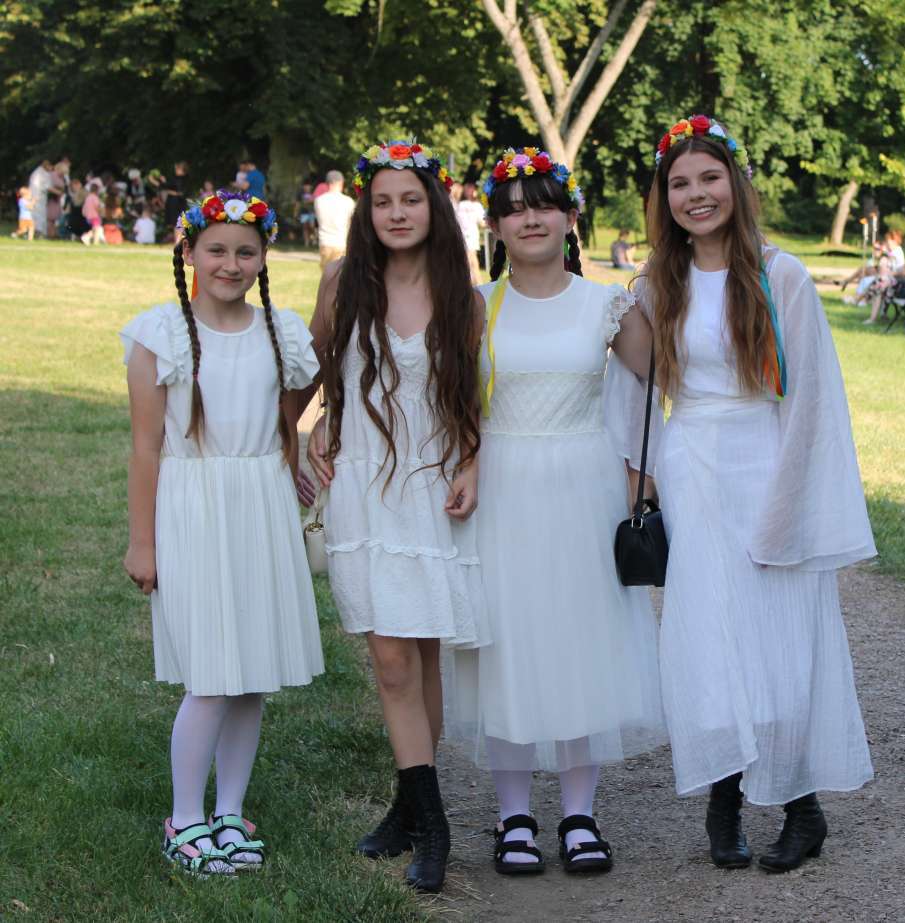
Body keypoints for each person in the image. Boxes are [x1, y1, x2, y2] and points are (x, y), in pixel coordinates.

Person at [634, 114, 874, 873]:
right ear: (664, 197)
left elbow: (811, 399)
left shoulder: (781, 274)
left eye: (709, 178)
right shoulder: (657, 283)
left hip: (764, 461)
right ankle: (724, 796)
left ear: (735, 184)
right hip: (692, 466)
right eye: (680, 183)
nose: (696, 194)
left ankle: (802, 808)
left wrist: (789, 509)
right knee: (708, 636)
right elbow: (637, 384)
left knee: (781, 637)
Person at [447, 146, 665, 877]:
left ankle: (579, 814)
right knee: (506, 641)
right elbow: (455, 401)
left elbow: (654, 382)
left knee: (578, 638)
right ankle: (513, 814)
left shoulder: (606, 304)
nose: (530, 219)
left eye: (544, 204)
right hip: (502, 486)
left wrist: (641, 476)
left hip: (582, 481)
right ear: (495, 227)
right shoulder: (476, 306)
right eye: (513, 210)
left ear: (571, 216)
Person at [302, 140, 487, 894]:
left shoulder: (463, 293)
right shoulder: (342, 282)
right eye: (382, 201)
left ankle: (410, 807)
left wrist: (473, 461)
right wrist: (306, 429)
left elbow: (476, 395)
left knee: (425, 653)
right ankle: (433, 825)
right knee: (389, 658)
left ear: (433, 205)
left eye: (410, 199)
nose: (397, 213)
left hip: (432, 484)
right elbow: (312, 369)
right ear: (366, 211)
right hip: (365, 482)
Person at [121, 189, 323, 876]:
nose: (231, 264)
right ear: (189, 252)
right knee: (211, 672)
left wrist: (289, 463)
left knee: (251, 674)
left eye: (245, 251)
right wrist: (142, 541)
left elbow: (284, 412)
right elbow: (145, 448)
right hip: (193, 506)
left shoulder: (280, 333)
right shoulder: (162, 336)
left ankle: (230, 811)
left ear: (264, 256)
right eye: (216, 250)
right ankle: (184, 818)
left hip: (259, 505)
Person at [863, 236, 905, 324]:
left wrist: (891, 273)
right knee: (882, 281)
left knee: (881, 284)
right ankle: (877, 311)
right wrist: (891, 273)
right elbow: (903, 269)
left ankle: (871, 312)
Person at [313, 170, 355, 266]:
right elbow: (351, 224)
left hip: (325, 242)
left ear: (327, 183)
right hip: (342, 243)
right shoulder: (348, 202)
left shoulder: (319, 201)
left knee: (326, 273)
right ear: (341, 183)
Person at [455, 182, 485, 283]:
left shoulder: (461, 205)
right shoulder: (473, 205)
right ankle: (476, 283)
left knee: (470, 259)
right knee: (471, 260)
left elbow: (482, 222)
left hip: (467, 235)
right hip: (468, 235)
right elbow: (482, 223)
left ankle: (474, 283)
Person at [28, 159, 53, 237]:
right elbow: (47, 187)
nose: (51, 168)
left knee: (38, 215)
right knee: (39, 215)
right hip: (38, 197)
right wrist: (59, 192)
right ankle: (39, 232)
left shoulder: (39, 172)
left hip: (38, 197)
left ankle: (37, 232)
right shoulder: (41, 174)